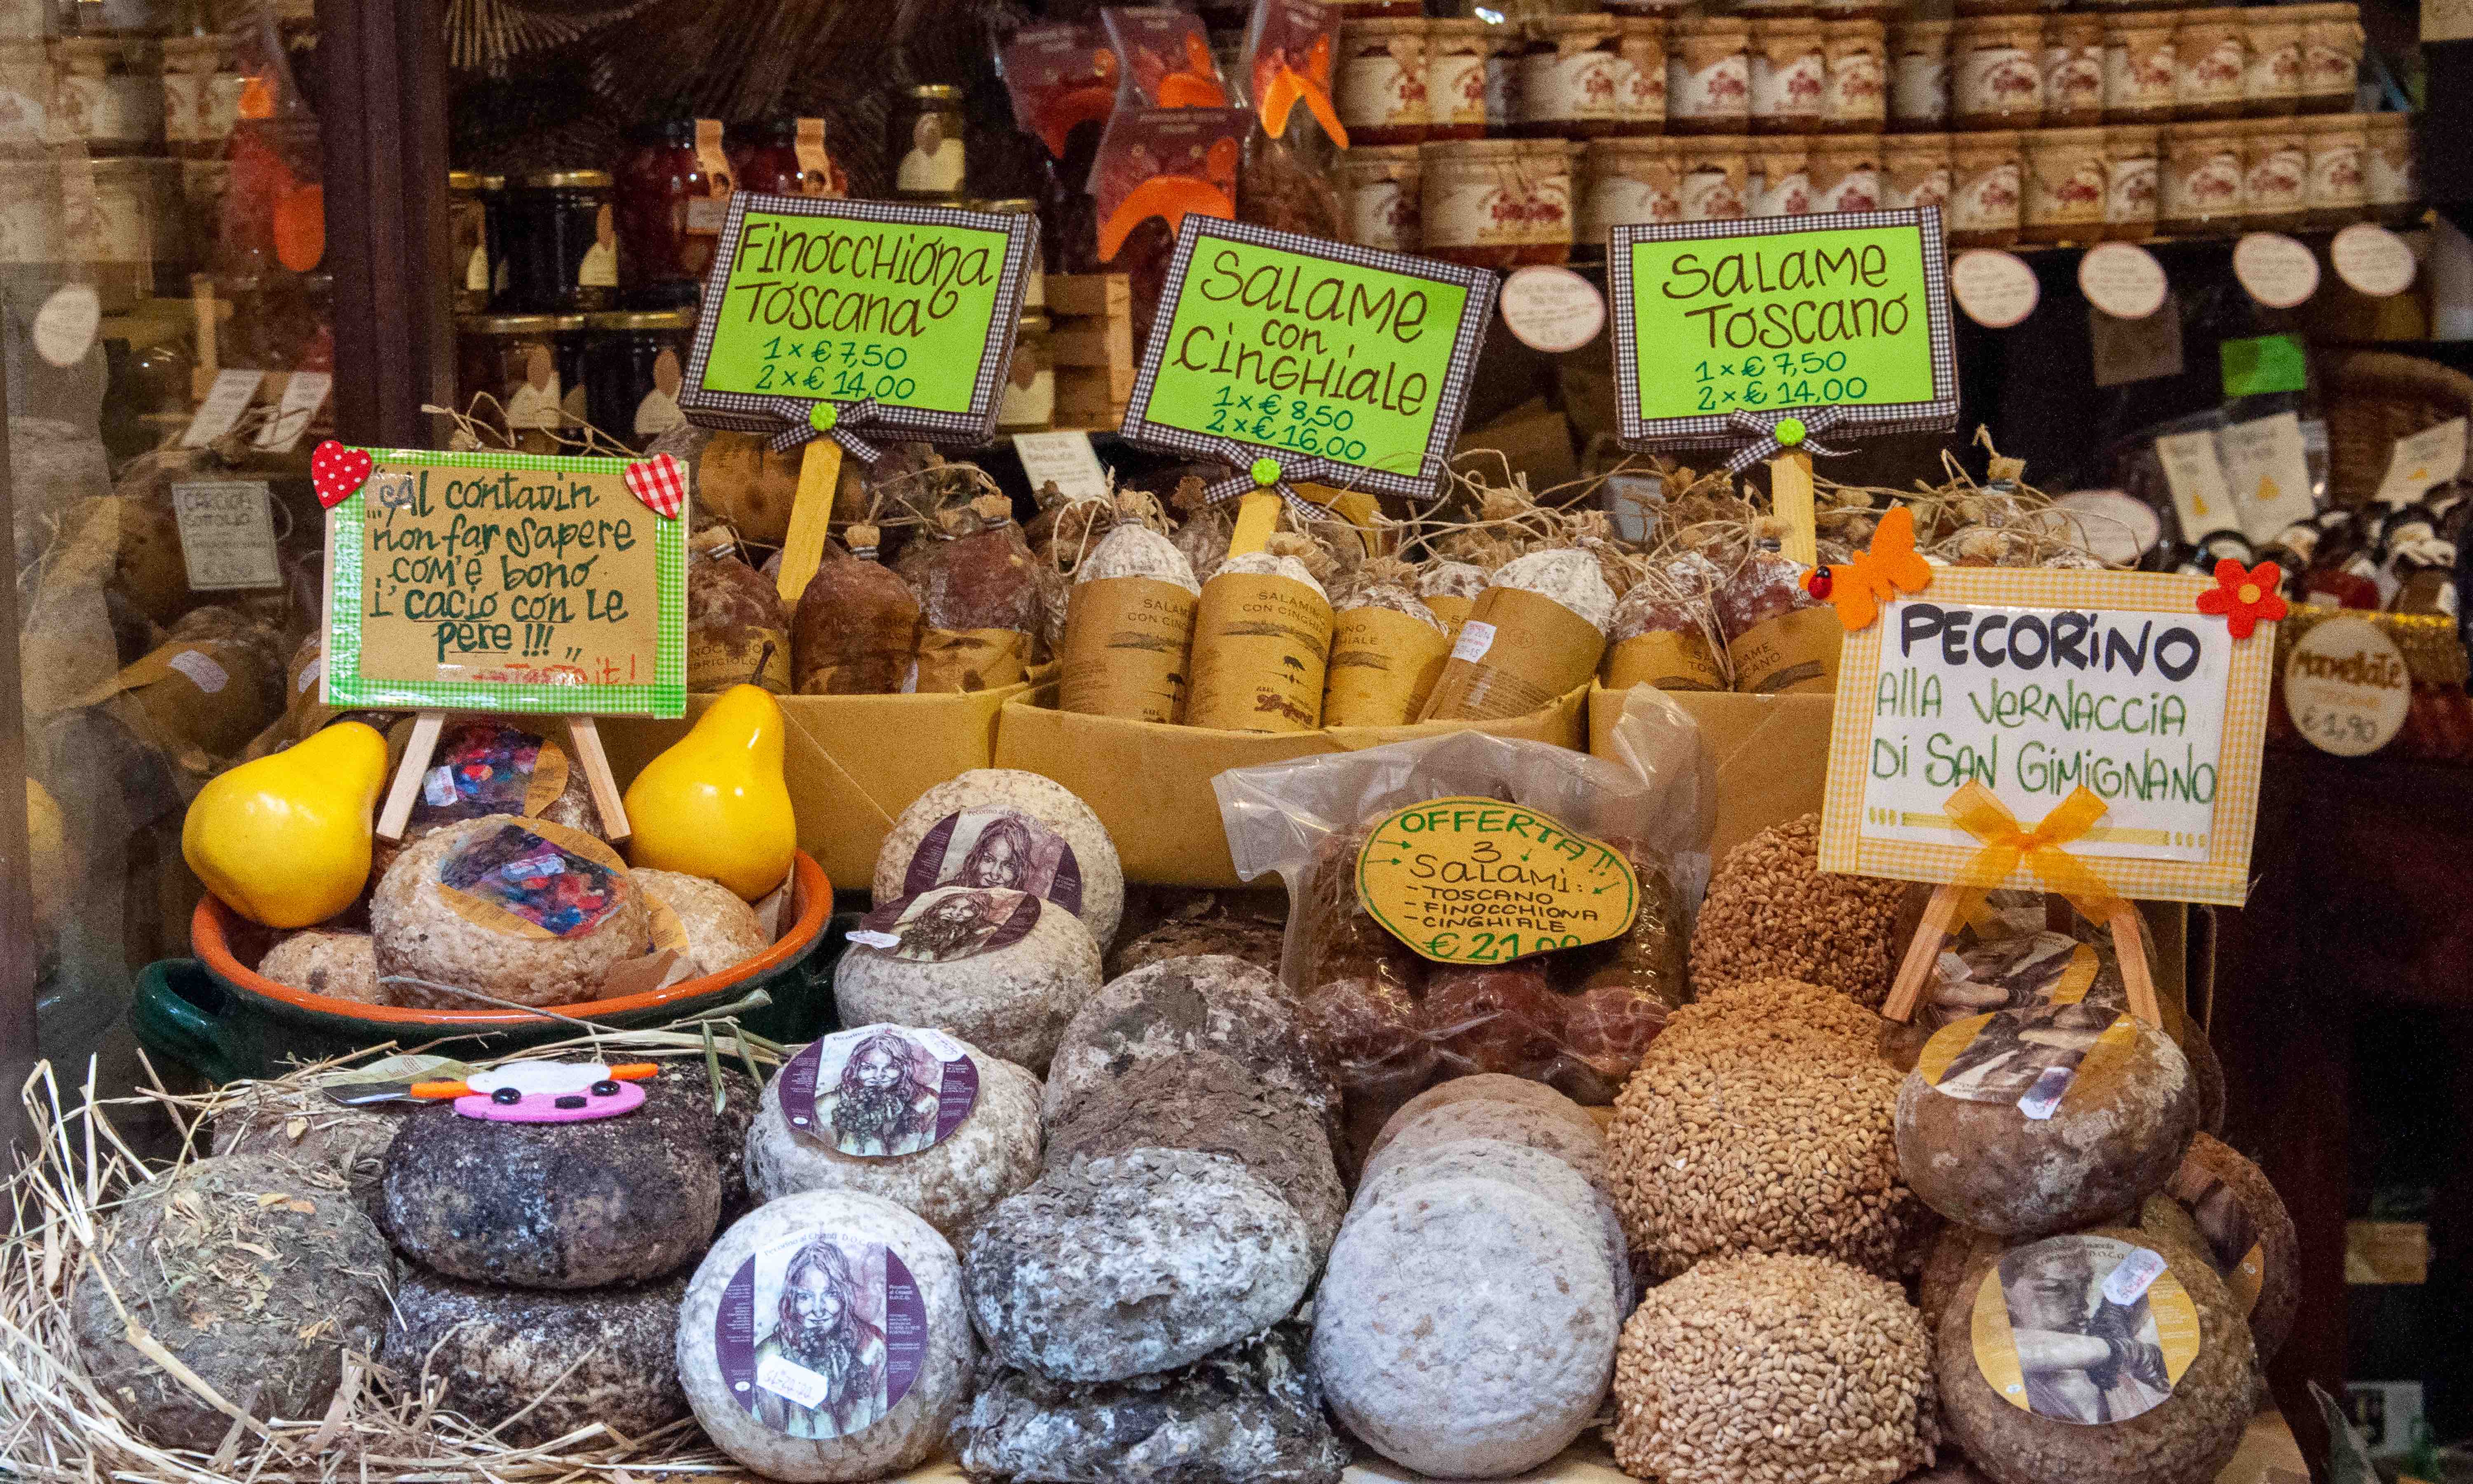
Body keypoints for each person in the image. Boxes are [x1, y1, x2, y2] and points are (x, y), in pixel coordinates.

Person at [2001, 1242, 2173, 1425]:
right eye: (2052, 1288)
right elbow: (2006, 1350)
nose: (2082, 1305)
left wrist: (2114, 1309)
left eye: (2084, 1285)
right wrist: (2127, 1352)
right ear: (2007, 1296)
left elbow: (2151, 1260)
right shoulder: (2010, 1357)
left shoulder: (2106, 1370)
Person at [752, 1239, 888, 1438]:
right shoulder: (768, 1356)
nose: (818, 1310)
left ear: (845, 1296)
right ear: (791, 1300)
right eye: (805, 1297)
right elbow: (765, 1435)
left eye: (831, 1294)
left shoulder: (874, 1350)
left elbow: (884, 1430)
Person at [819, 1028, 943, 1156]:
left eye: (891, 1067)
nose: (879, 1076)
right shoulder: (825, 1106)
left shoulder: (929, 1103)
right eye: (868, 1068)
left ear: (904, 1069)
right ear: (855, 1068)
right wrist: (866, 1122)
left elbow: (928, 1155)